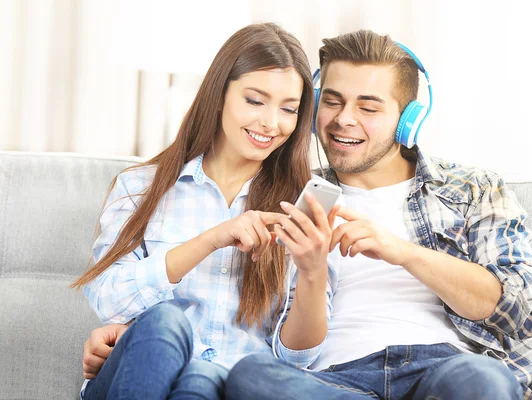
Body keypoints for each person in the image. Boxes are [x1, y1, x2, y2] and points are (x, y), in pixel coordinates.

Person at [224, 30, 532, 400]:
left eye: (368, 107)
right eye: (332, 102)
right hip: (336, 381)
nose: (344, 119)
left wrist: (403, 252)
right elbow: (283, 343)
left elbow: (521, 311)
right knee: (250, 377)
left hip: (447, 371)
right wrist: (310, 268)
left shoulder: (471, 188)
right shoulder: (288, 197)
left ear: (408, 118)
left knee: (484, 380)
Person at [72, 23, 341, 400]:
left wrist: (313, 272)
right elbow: (108, 300)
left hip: (225, 385)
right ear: (219, 95)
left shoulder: (299, 210)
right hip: (142, 373)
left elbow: (298, 359)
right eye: (254, 100)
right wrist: (210, 240)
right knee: (167, 321)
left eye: (288, 109)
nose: (270, 122)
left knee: (201, 380)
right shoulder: (140, 188)